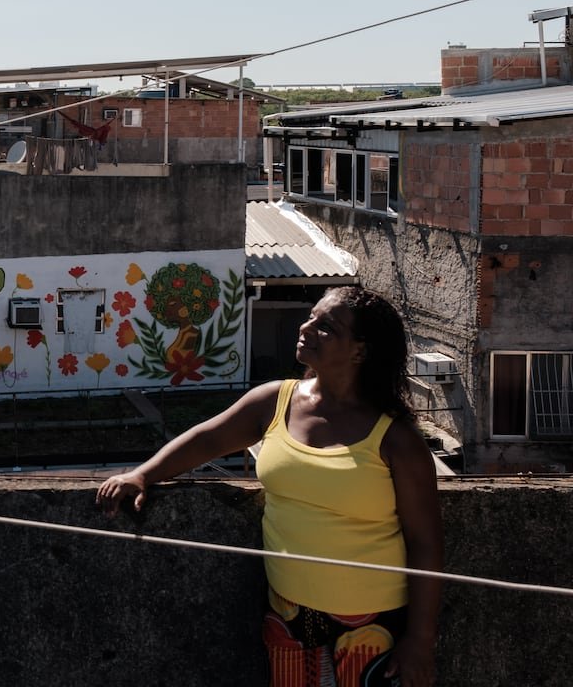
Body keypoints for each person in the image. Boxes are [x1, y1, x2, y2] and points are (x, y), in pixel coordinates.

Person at [97, 286, 442, 687]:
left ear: (360, 352)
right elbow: (208, 439)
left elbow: (425, 543)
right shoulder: (274, 402)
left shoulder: (395, 438)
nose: (307, 327)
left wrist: (420, 639)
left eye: (326, 327)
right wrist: (142, 475)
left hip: (374, 620)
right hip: (289, 612)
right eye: (311, 316)